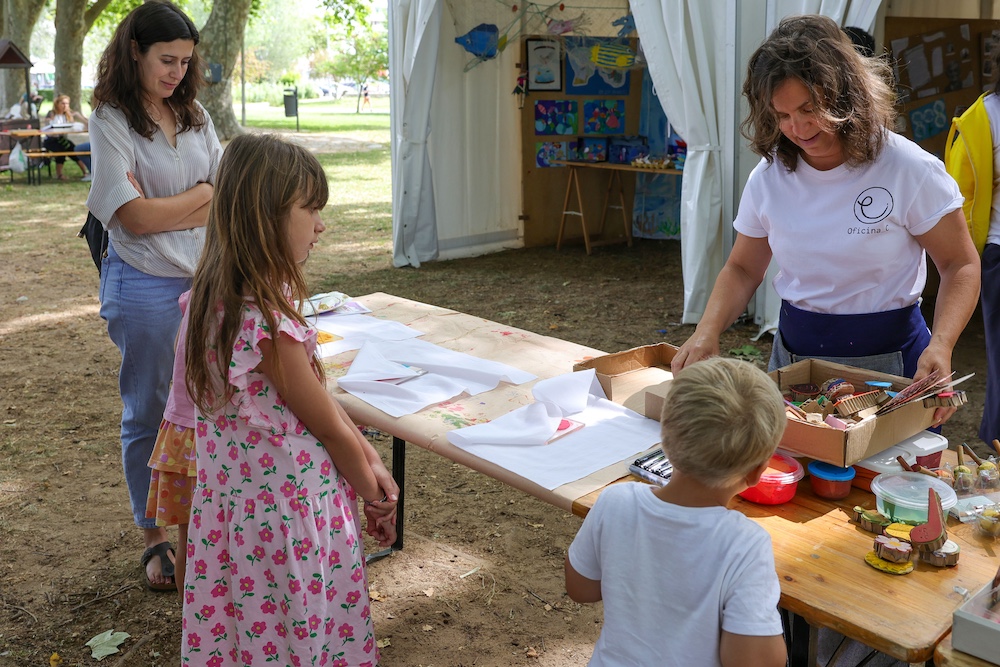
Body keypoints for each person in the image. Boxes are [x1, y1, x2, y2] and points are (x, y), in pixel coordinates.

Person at [672, 15, 980, 431]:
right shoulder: (768, 176)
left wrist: (942, 345)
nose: (797, 129)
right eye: (781, 115)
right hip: (796, 355)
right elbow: (744, 267)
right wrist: (706, 332)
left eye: (809, 109)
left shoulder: (910, 169)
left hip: (891, 360)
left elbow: (959, 264)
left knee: (882, 482)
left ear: (845, 96)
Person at [182, 132, 399, 666]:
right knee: (294, 636)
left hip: (241, 516)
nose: (321, 224)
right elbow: (325, 428)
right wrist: (373, 493)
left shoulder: (209, 300)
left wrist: (371, 459)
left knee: (250, 638)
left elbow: (323, 406)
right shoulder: (265, 323)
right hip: (285, 524)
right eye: (311, 209)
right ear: (265, 216)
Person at [85, 0, 222, 592]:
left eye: (185, 61)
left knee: (206, 406)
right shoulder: (110, 119)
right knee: (148, 411)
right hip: (141, 284)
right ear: (134, 52)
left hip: (204, 280)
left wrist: (176, 202)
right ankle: (153, 535)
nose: (176, 72)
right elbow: (131, 219)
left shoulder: (194, 114)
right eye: (166, 60)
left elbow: (228, 189)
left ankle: (207, 523)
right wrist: (199, 195)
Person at [565, 357, 788, 667]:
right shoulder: (745, 544)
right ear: (756, 473)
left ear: (665, 443)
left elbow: (581, 588)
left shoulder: (615, 501)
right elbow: (751, 661)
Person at [143, 290, 196, 595]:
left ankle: (193, 622)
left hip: (182, 435)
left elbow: (179, 347)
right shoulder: (247, 304)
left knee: (189, 535)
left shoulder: (199, 294)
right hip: (212, 441)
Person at [42, 94, 90, 181]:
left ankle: (85, 172)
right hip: (51, 140)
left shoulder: (67, 115)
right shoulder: (52, 113)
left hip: (62, 139)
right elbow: (48, 127)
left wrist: (78, 116)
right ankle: (59, 174)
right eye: (63, 103)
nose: (65, 106)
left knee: (74, 149)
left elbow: (83, 125)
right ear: (57, 104)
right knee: (61, 151)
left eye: (67, 104)